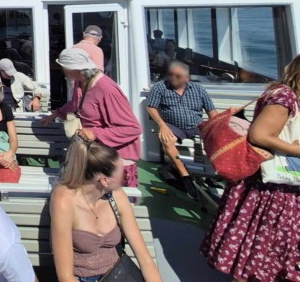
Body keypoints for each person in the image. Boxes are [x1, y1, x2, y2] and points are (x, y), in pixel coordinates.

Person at [201, 55, 300, 282]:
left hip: (274, 185)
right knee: (262, 248)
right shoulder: (285, 97)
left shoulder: (282, 94)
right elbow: (259, 135)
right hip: (272, 188)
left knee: (261, 250)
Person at [50, 140, 162, 282]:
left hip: (118, 275)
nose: (127, 177)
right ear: (104, 181)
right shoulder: (64, 201)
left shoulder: (117, 196)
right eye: (123, 173)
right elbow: (65, 276)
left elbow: (144, 258)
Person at [40, 48, 142, 187]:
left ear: (74, 69)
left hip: (114, 161)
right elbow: (75, 104)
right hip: (95, 155)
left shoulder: (107, 89)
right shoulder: (80, 82)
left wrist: (94, 133)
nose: (61, 70)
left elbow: (133, 128)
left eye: (63, 67)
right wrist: (56, 114)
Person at [146, 60, 217, 199]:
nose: (173, 78)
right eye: (171, 74)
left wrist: (218, 126)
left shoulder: (199, 90)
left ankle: (213, 174)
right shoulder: (160, 87)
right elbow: (151, 107)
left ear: (187, 78)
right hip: (173, 126)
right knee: (167, 141)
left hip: (197, 125)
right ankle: (185, 176)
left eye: (178, 76)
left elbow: (212, 112)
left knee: (218, 139)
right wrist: (162, 125)